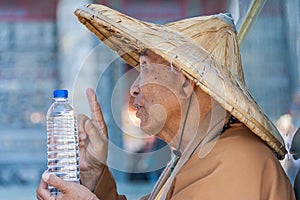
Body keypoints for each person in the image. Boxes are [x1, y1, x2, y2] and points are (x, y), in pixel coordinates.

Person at [36, 4, 296, 200]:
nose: (134, 89)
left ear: (186, 82)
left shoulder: (236, 160)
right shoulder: (195, 155)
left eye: (146, 68)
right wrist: (94, 173)